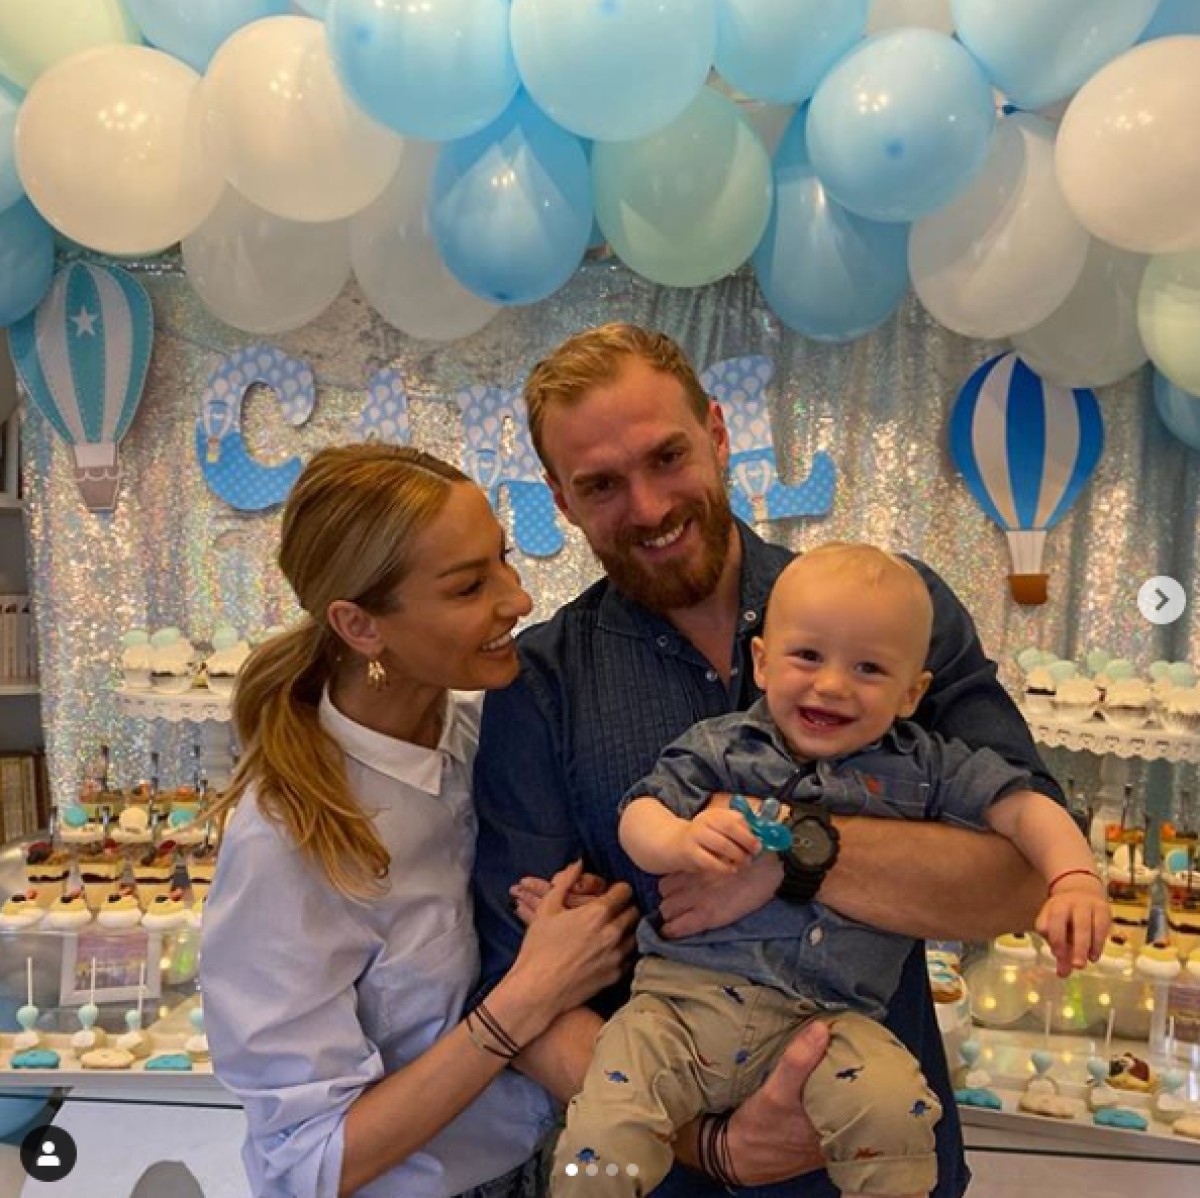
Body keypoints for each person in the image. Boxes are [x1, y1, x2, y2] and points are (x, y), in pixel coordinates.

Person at [471, 323, 1065, 1197]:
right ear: (561, 499)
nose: (648, 507)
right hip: (664, 1173)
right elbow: (516, 992)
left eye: (667, 457)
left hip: (872, 1149)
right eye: (601, 484)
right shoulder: (542, 684)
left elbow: (1024, 879)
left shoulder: (893, 615)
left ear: (717, 433)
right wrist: (713, 1145)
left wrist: (787, 854)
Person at [550, 543, 1109, 1197]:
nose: (833, 685)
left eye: (869, 668)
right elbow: (640, 814)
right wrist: (678, 840)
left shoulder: (928, 767)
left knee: (897, 1111)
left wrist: (1075, 878)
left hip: (831, 1027)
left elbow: (1025, 808)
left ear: (911, 692)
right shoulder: (722, 746)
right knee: (605, 1129)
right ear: (763, 662)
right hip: (679, 1014)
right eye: (808, 656)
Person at [200, 444, 637, 1198]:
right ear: (360, 626)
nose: (518, 599)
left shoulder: (491, 730)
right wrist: (527, 996)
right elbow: (309, 1164)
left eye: (503, 560)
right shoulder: (286, 840)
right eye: (469, 586)